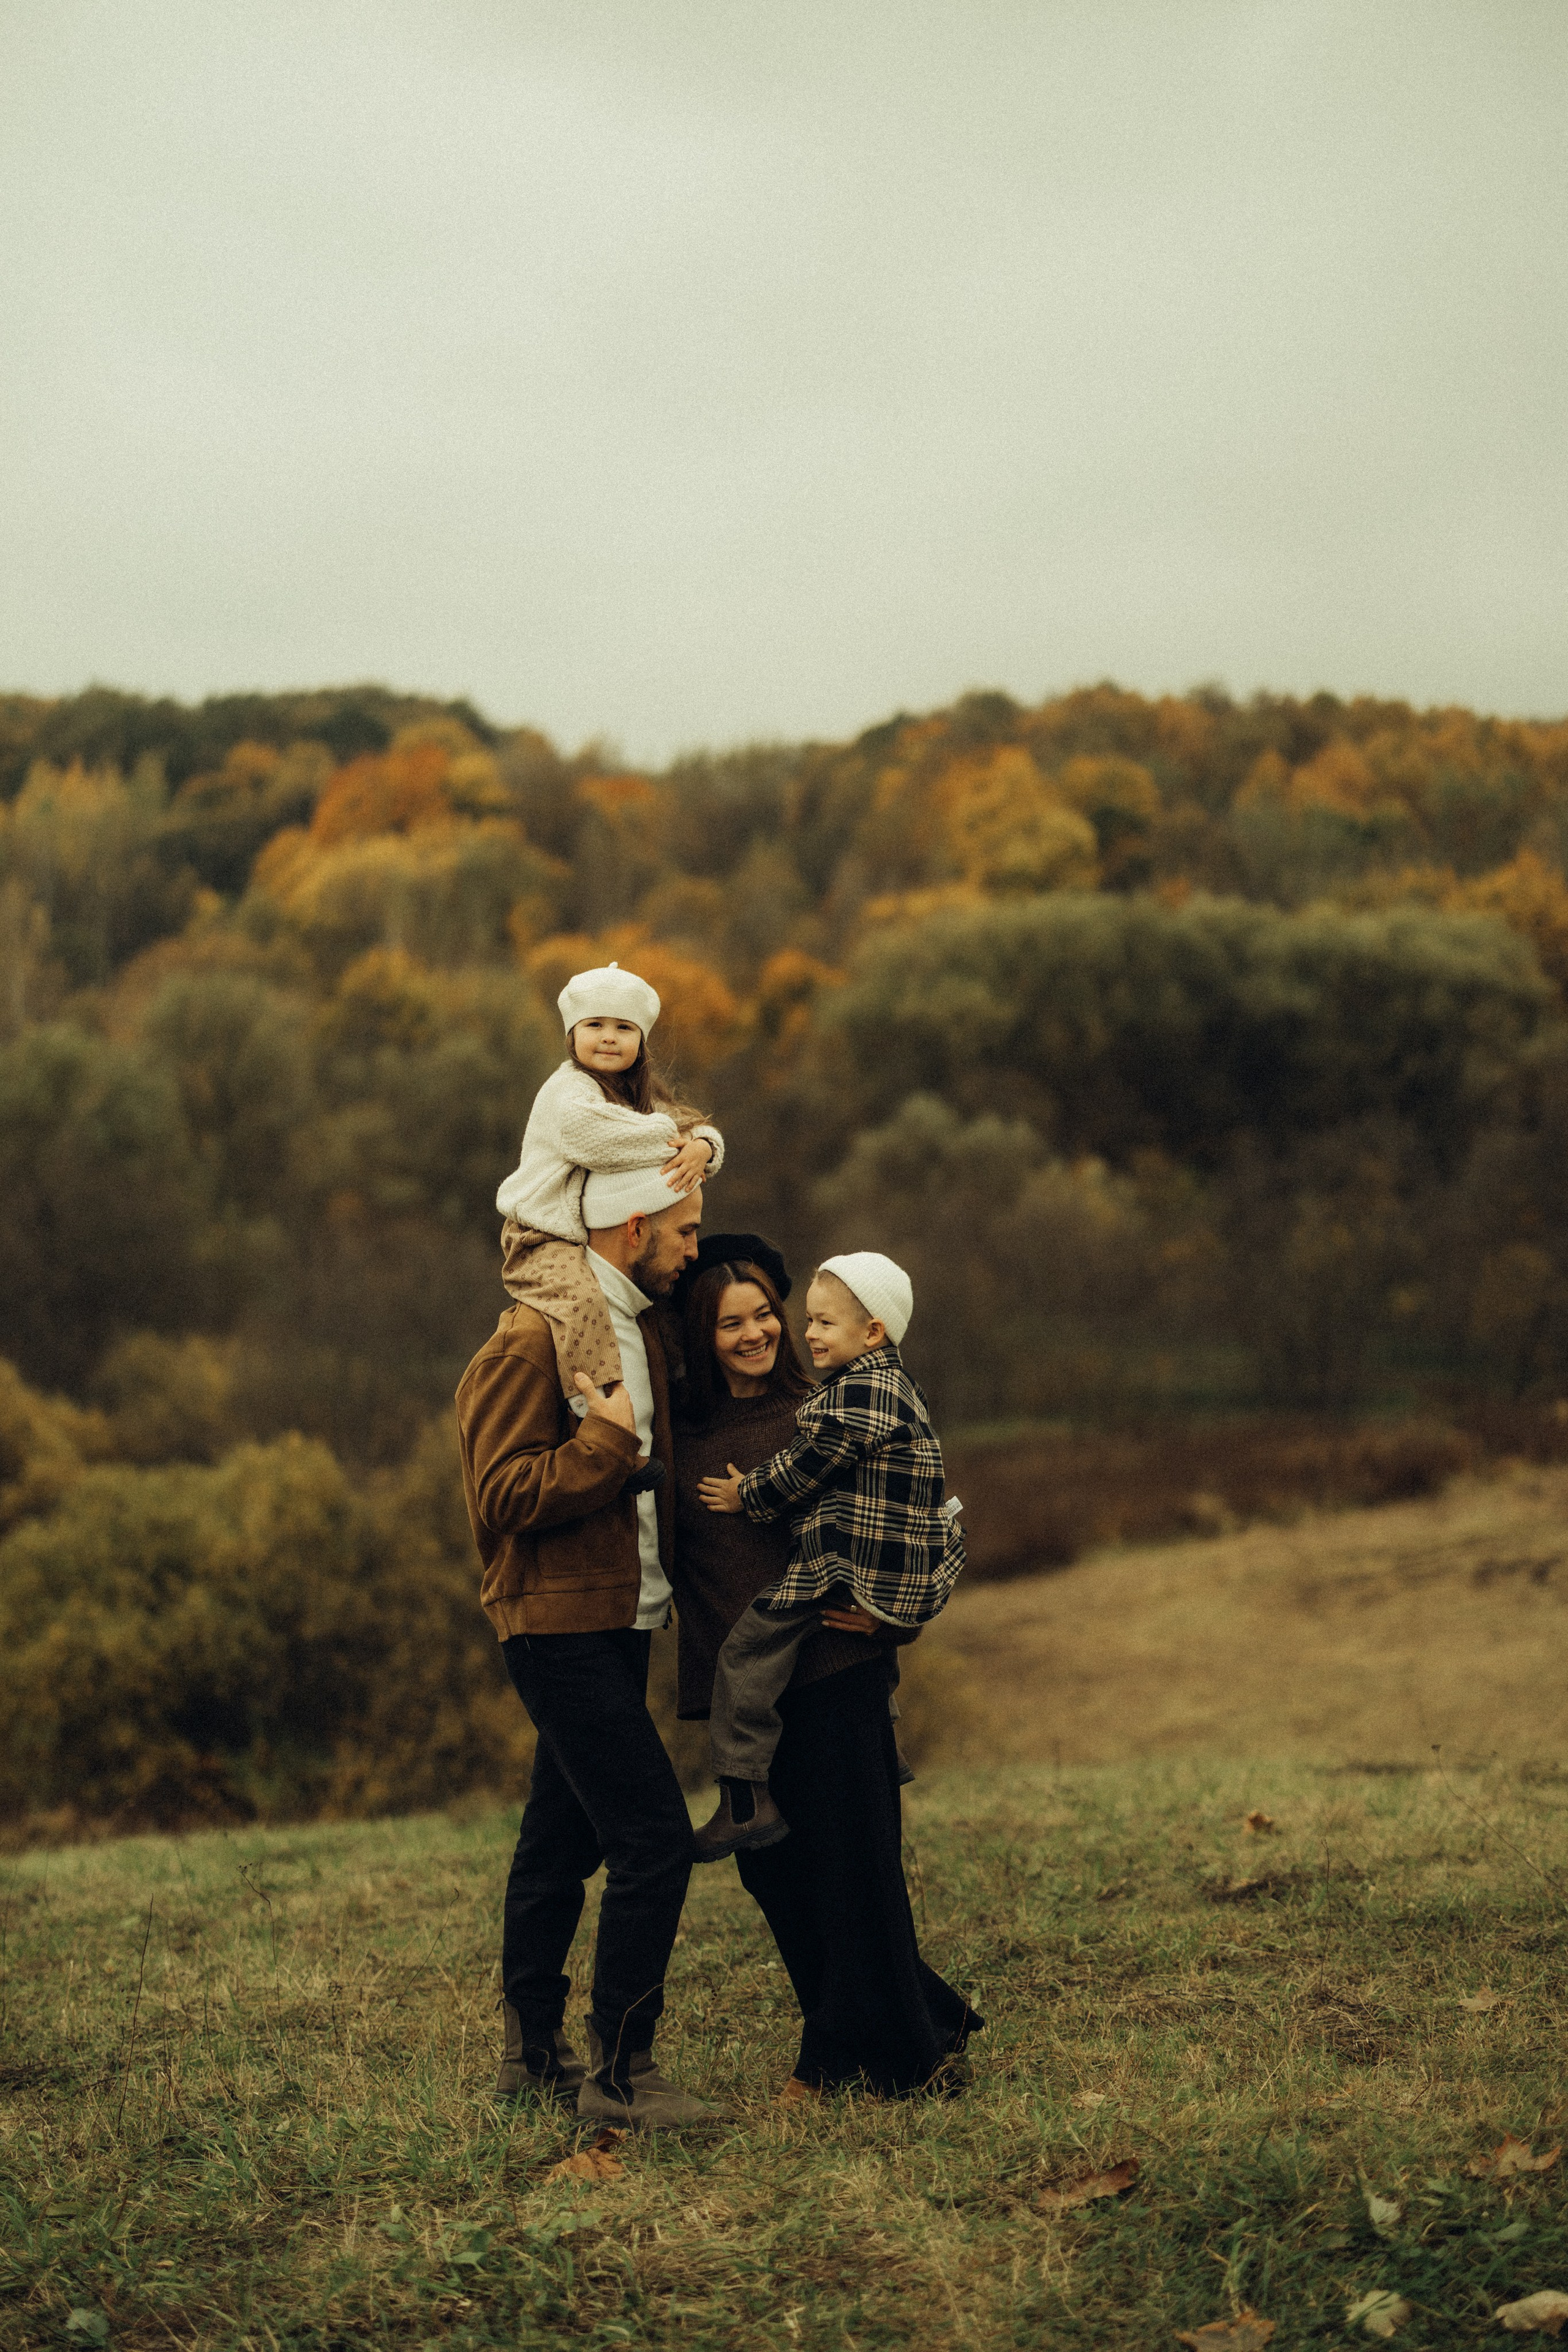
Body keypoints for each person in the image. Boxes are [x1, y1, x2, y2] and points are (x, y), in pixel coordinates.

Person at [670, 1234, 982, 2099]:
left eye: (767, 1313)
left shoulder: (830, 1407)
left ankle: (855, 2065)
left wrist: (903, 1614)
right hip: (744, 1687)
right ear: (701, 1333)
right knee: (772, 1870)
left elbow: (936, 1516)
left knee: (852, 1870)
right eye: (732, 1322)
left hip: (838, 1671)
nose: (758, 1332)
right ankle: (922, 2022)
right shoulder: (681, 1435)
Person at [455, 1150, 723, 2129]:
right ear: (634, 1228)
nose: (695, 1248)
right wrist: (608, 1450)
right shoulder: (531, 1342)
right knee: (653, 1836)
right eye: (686, 1230)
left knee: (559, 1834)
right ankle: (622, 2075)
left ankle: (532, 2056)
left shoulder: (638, 1331)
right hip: (554, 1620)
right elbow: (500, 1495)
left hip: (622, 1614)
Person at [692, 1251, 964, 1861]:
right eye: (808, 1320)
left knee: (745, 1654)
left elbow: (802, 1471)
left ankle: (744, 1799)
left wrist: (746, 1493)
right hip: (893, 1561)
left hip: (848, 1559)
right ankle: (885, 1746)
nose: (805, 1333)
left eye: (823, 1323)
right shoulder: (895, 1386)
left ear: (872, 1333)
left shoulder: (852, 1398)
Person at [494, 959, 724, 1401]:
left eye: (624, 1028)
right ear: (572, 1036)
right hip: (540, 1237)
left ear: (641, 1041)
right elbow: (597, 1140)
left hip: (585, 1235)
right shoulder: (569, 1092)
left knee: (653, 1303)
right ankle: (595, 1406)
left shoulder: (637, 1092)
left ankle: (680, 1388)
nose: (608, 1038)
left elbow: (695, 1126)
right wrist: (677, 1140)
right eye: (595, 1025)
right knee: (582, 1303)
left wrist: (704, 1148)